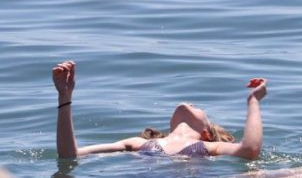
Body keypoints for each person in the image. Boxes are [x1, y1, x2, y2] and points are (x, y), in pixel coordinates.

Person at [53, 60, 268, 160]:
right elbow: (70, 155)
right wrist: (65, 97)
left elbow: (249, 149)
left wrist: (253, 101)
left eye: (196, 106)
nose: (188, 104)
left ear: (207, 132)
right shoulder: (137, 143)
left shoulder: (210, 147)